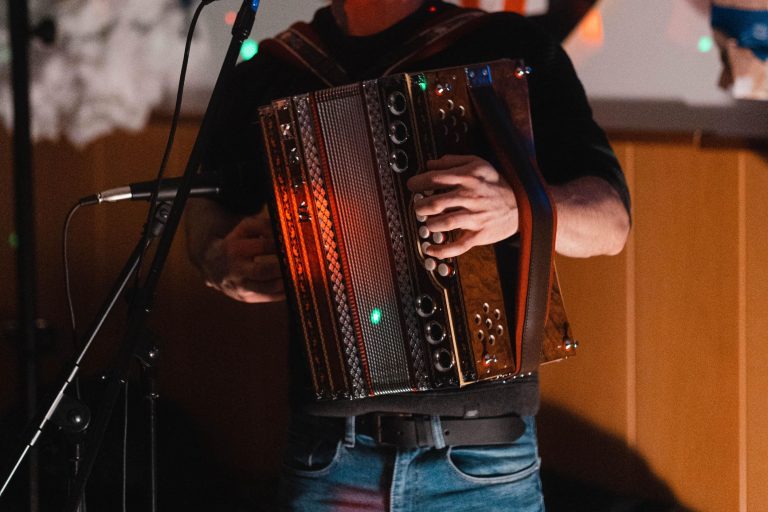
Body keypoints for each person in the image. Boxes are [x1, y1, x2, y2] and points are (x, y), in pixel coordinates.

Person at [185, 1, 631, 510]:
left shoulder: (512, 47)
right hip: (328, 454)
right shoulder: (272, 69)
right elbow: (203, 210)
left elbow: (612, 222)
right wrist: (218, 258)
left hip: (482, 461)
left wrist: (516, 207)